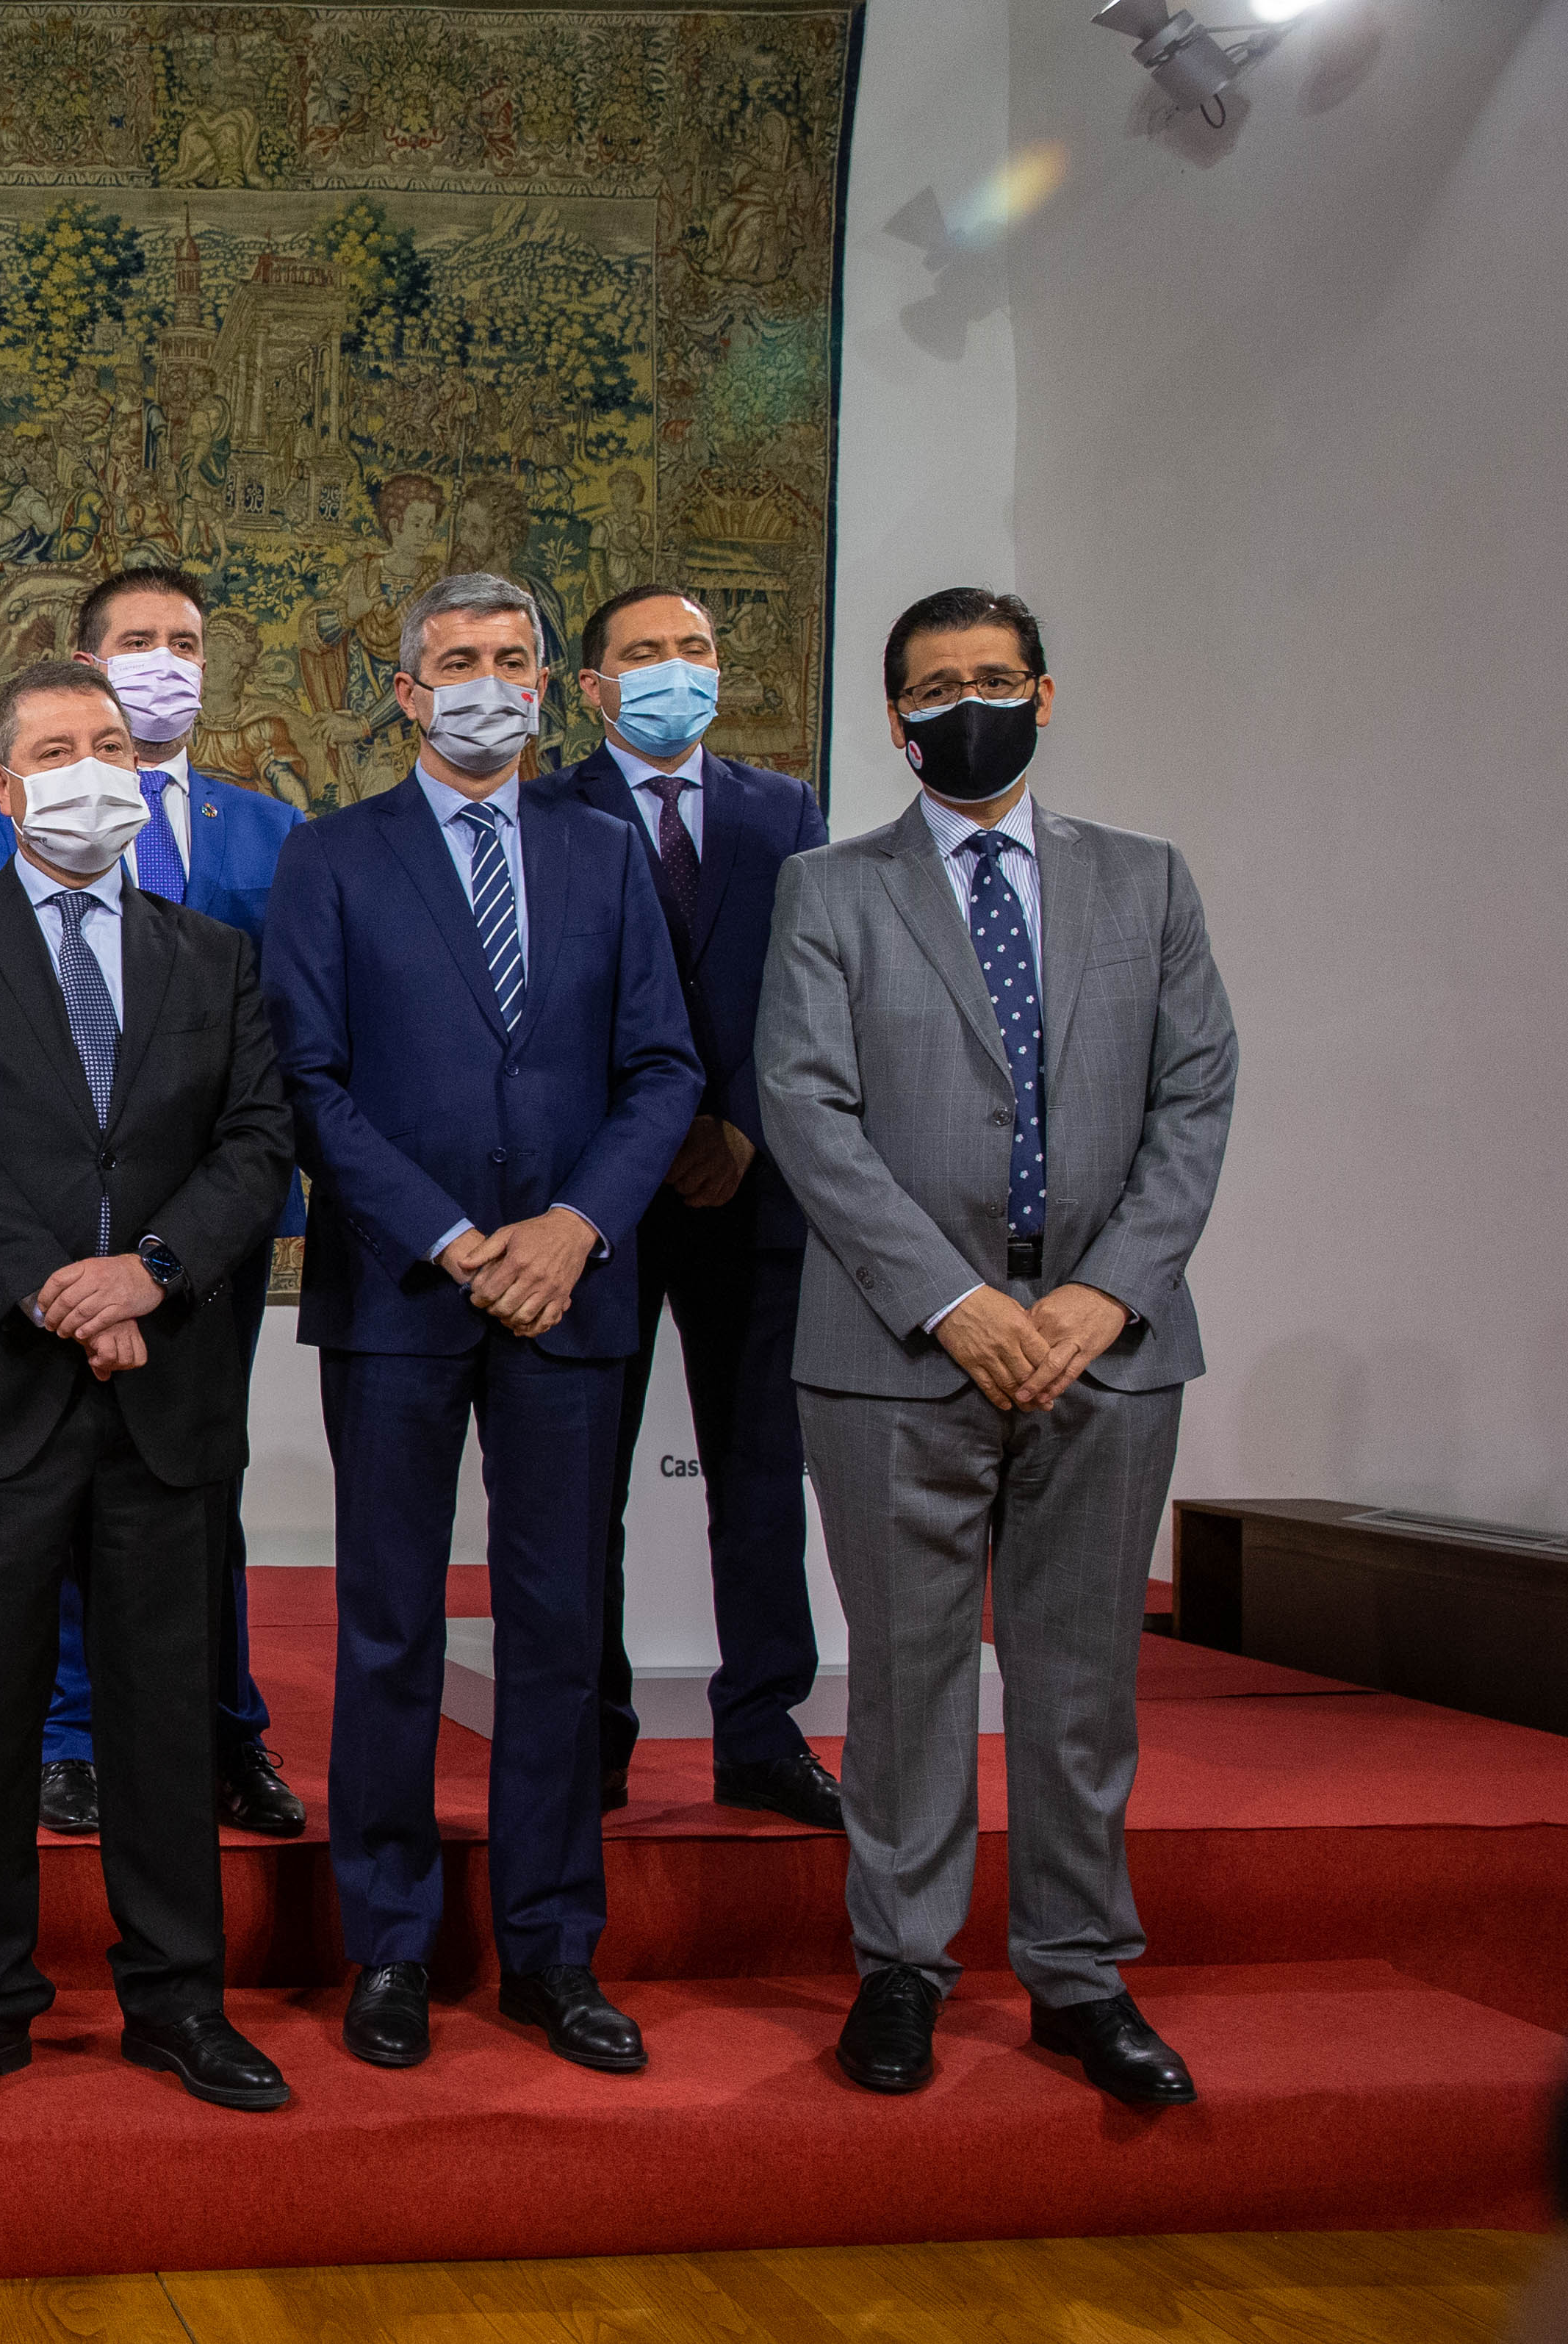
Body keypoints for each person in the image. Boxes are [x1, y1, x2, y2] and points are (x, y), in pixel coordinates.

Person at [758, 587, 1236, 2106]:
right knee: (901, 1681)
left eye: (990, 676)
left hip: (1104, 1341)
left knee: (1079, 1678)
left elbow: (1194, 1100)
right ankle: (898, 1965)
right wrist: (954, 1301)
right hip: (900, 1345)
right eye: (931, 684)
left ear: (1042, 691)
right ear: (892, 718)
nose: (963, 701)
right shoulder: (826, 892)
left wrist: (1101, 1293)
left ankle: (1078, 1974)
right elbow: (807, 1112)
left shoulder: (1145, 883)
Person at [264, 572, 702, 2078]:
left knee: (555, 1632)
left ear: (543, 688)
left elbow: (660, 1069)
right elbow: (310, 1084)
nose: (485, 683)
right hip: (399, 1292)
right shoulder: (330, 857)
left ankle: (548, 1946)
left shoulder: (600, 854)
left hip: (570, 1295)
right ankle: (384, 1943)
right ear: (403, 690)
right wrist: (455, 1239)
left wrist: (573, 1227)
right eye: (454, 661)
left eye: (511, 660)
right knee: (386, 1628)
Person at [0, 659, 297, 2116]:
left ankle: (175, 1997)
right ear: (1, 786)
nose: (89, 768)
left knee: (163, 1717)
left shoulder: (212, 958)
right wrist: (62, 1285)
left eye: (109, 744)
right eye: (55, 748)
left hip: (162, 1388)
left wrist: (149, 1272)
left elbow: (253, 1144)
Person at [0, 567, 308, 1844]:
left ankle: (226, 1727)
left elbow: (286, 1037)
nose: (166, 661)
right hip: (63, 1222)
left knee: (197, 1483)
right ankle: (69, 1734)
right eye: (137, 643)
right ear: (87, 664)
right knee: (64, 1482)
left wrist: (188, 1242)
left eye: (186, 642)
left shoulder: (269, 833)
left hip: (207, 1230)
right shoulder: (10, 815)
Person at [540, 584, 840, 1830]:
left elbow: (816, 988)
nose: (678, 670)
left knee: (760, 1472)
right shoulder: (548, 813)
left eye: (696, 650)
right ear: (593, 686)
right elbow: (548, 1011)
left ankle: (762, 1731)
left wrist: (744, 1126)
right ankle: (587, 1732)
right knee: (580, 1481)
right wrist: (652, 1139)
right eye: (646, 654)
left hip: (753, 1190)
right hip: (604, 1195)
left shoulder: (785, 811)